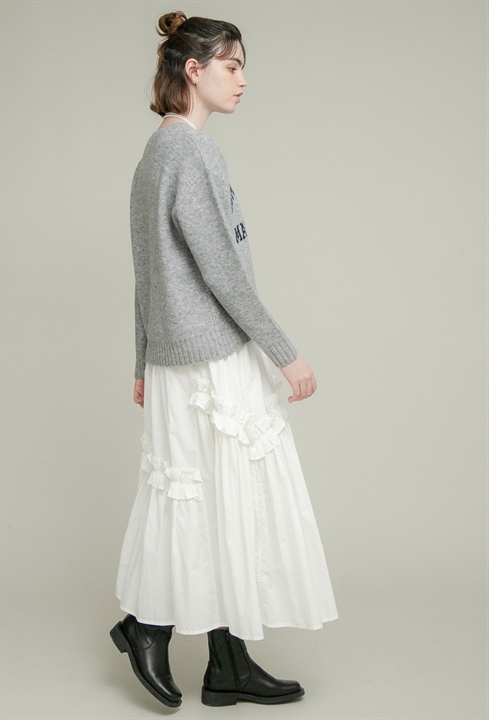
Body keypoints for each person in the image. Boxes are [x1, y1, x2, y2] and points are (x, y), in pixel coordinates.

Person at [109, 10, 338, 709]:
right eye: (231, 66)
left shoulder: (153, 154)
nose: (242, 80)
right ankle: (147, 625)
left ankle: (227, 665)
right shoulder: (193, 153)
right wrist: (284, 352)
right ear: (194, 70)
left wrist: (143, 361)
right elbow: (222, 273)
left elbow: (147, 274)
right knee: (228, 501)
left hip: (175, 361)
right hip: (211, 359)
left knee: (209, 502)